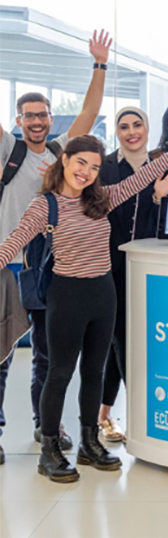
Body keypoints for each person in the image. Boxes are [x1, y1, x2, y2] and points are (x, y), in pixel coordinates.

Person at [0, 124, 168, 483]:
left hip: (103, 294)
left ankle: (88, 442)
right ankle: (49, 450)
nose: (87, 172)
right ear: (63, 161)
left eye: (95, 167)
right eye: (81, 163)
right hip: (66, 296)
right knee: (60, 372)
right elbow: (14, 240)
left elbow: (144, 176)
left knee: (94, 372)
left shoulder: (102, 198)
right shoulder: (45, 204)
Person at [0, 29, 111, 463]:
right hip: (11, 266)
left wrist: (99, 64)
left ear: (50, 117)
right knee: (4, 354)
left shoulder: (64, 152)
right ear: (17, 118)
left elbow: (90, 109)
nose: (37, 121)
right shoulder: (9, 149)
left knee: (48, 357)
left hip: (53, 268)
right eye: (28, 115)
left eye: (43, 114)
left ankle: (46, 427)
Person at [97, 107, 168, 442]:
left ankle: (113, 415)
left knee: (139, 344)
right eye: (124, 126)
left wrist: (160, 196)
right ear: (116, 132)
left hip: (151, 270)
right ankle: (125, 415)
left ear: (148, 129)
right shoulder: (103, 166)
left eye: (137, 125)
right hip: (108, 269)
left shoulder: (163, 164)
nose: (131, 132)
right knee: (118, 341)